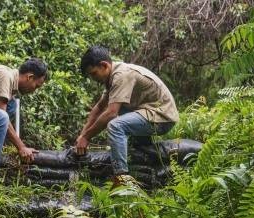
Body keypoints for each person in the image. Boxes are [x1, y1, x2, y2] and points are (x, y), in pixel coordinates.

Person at [74, 45, 179, 180]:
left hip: (162, 116)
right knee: (119, 109)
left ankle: (121, 178)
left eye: (94, 73)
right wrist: (82, 135)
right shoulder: (112, 76)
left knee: (115, 125)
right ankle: (143, 154)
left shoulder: (121, 75)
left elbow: (111, 113)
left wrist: (87, 137)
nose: (93, 78)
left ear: (104, 65)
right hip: (146, 113)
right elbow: (99, 107)